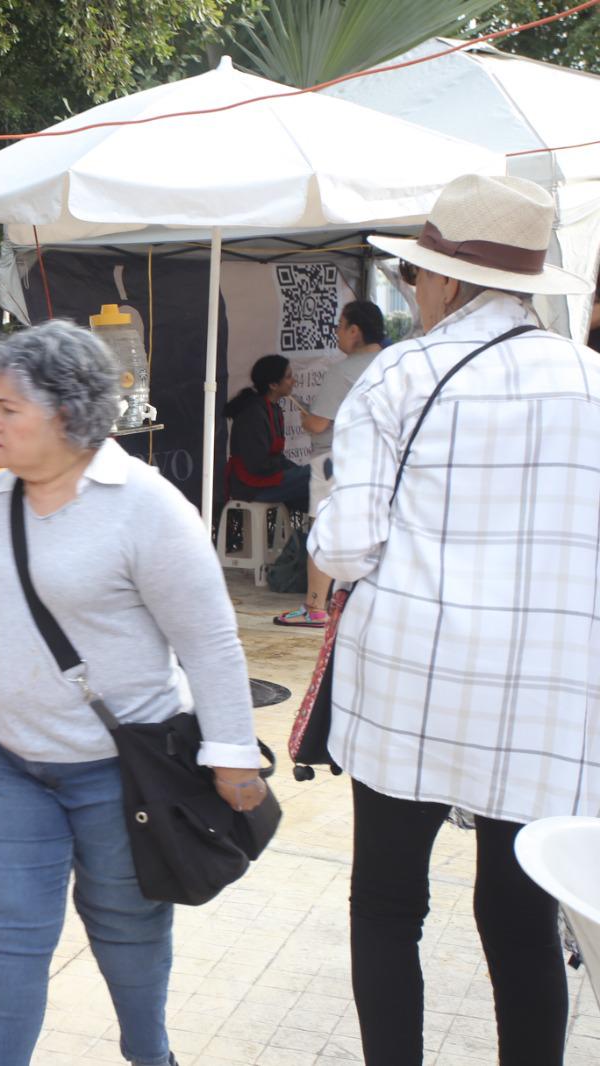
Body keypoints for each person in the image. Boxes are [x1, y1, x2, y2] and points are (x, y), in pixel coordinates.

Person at [0, 320, 265, 1066]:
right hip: (9, 763)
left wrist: (232, 756)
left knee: (126, 930)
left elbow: (210, 642)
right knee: (3, 938)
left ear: (67, 414)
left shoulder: (146, 507)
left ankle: (149, 1055)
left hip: (121, 772)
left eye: (5, 408)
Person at [309, 173, 598, 1066]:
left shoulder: (403, 373)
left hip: (413, 683)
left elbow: (348, 547)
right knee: (520, 915)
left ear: (443, 282)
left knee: (388, 906)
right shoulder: (593, 381)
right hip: (547, 693)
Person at [273, 300, 386, 627]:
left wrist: (307, 419)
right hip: (378, 458)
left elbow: (319, 424)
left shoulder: (343, 371)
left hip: (334, 460)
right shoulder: (392, 363)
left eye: (340, 326)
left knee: (322, 530)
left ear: (355, 331)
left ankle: (315, 607)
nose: (336, 333)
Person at [222, 354, 308, 512]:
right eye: (289, 377)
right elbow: (257, 464)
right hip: (252, 485)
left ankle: (300, 536)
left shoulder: (272, 408)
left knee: (316, 486)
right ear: (273, 385)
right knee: (316, 475)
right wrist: (294, 472)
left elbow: (275, 458)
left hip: (266, 478)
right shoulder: (253, 414)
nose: (293, 381)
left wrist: (293, 470)